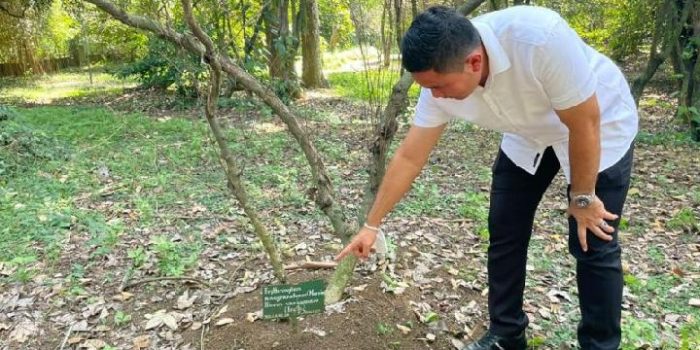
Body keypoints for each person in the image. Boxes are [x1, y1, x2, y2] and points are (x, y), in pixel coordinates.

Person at [334, 5, 638, 350]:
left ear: (474, 62)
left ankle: (600, 344)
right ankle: (506, 334)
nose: (433, 96)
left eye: (438, 86)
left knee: (591, 240)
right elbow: (409, 156)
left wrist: (582, 198)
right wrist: (371, 225)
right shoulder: (440, 76)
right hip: (527, 133)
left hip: (597, 123)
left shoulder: (539, 38)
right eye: (426, 88)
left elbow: (585, 122)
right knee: (505, 228)